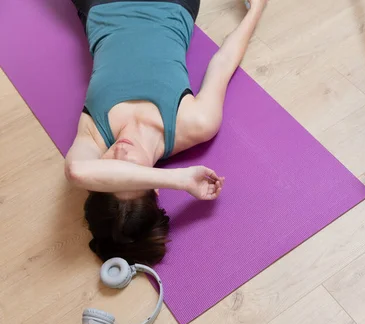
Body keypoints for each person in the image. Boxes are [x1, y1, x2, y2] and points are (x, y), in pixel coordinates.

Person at [65, 0, 266, 265]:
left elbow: (77, 172)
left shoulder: (94, 134)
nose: (121, 150)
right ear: (155, 188)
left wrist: (179, 180)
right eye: (130, 171)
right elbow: (224, 62)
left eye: (111, 163)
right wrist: (258, 9)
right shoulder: (195, 123)